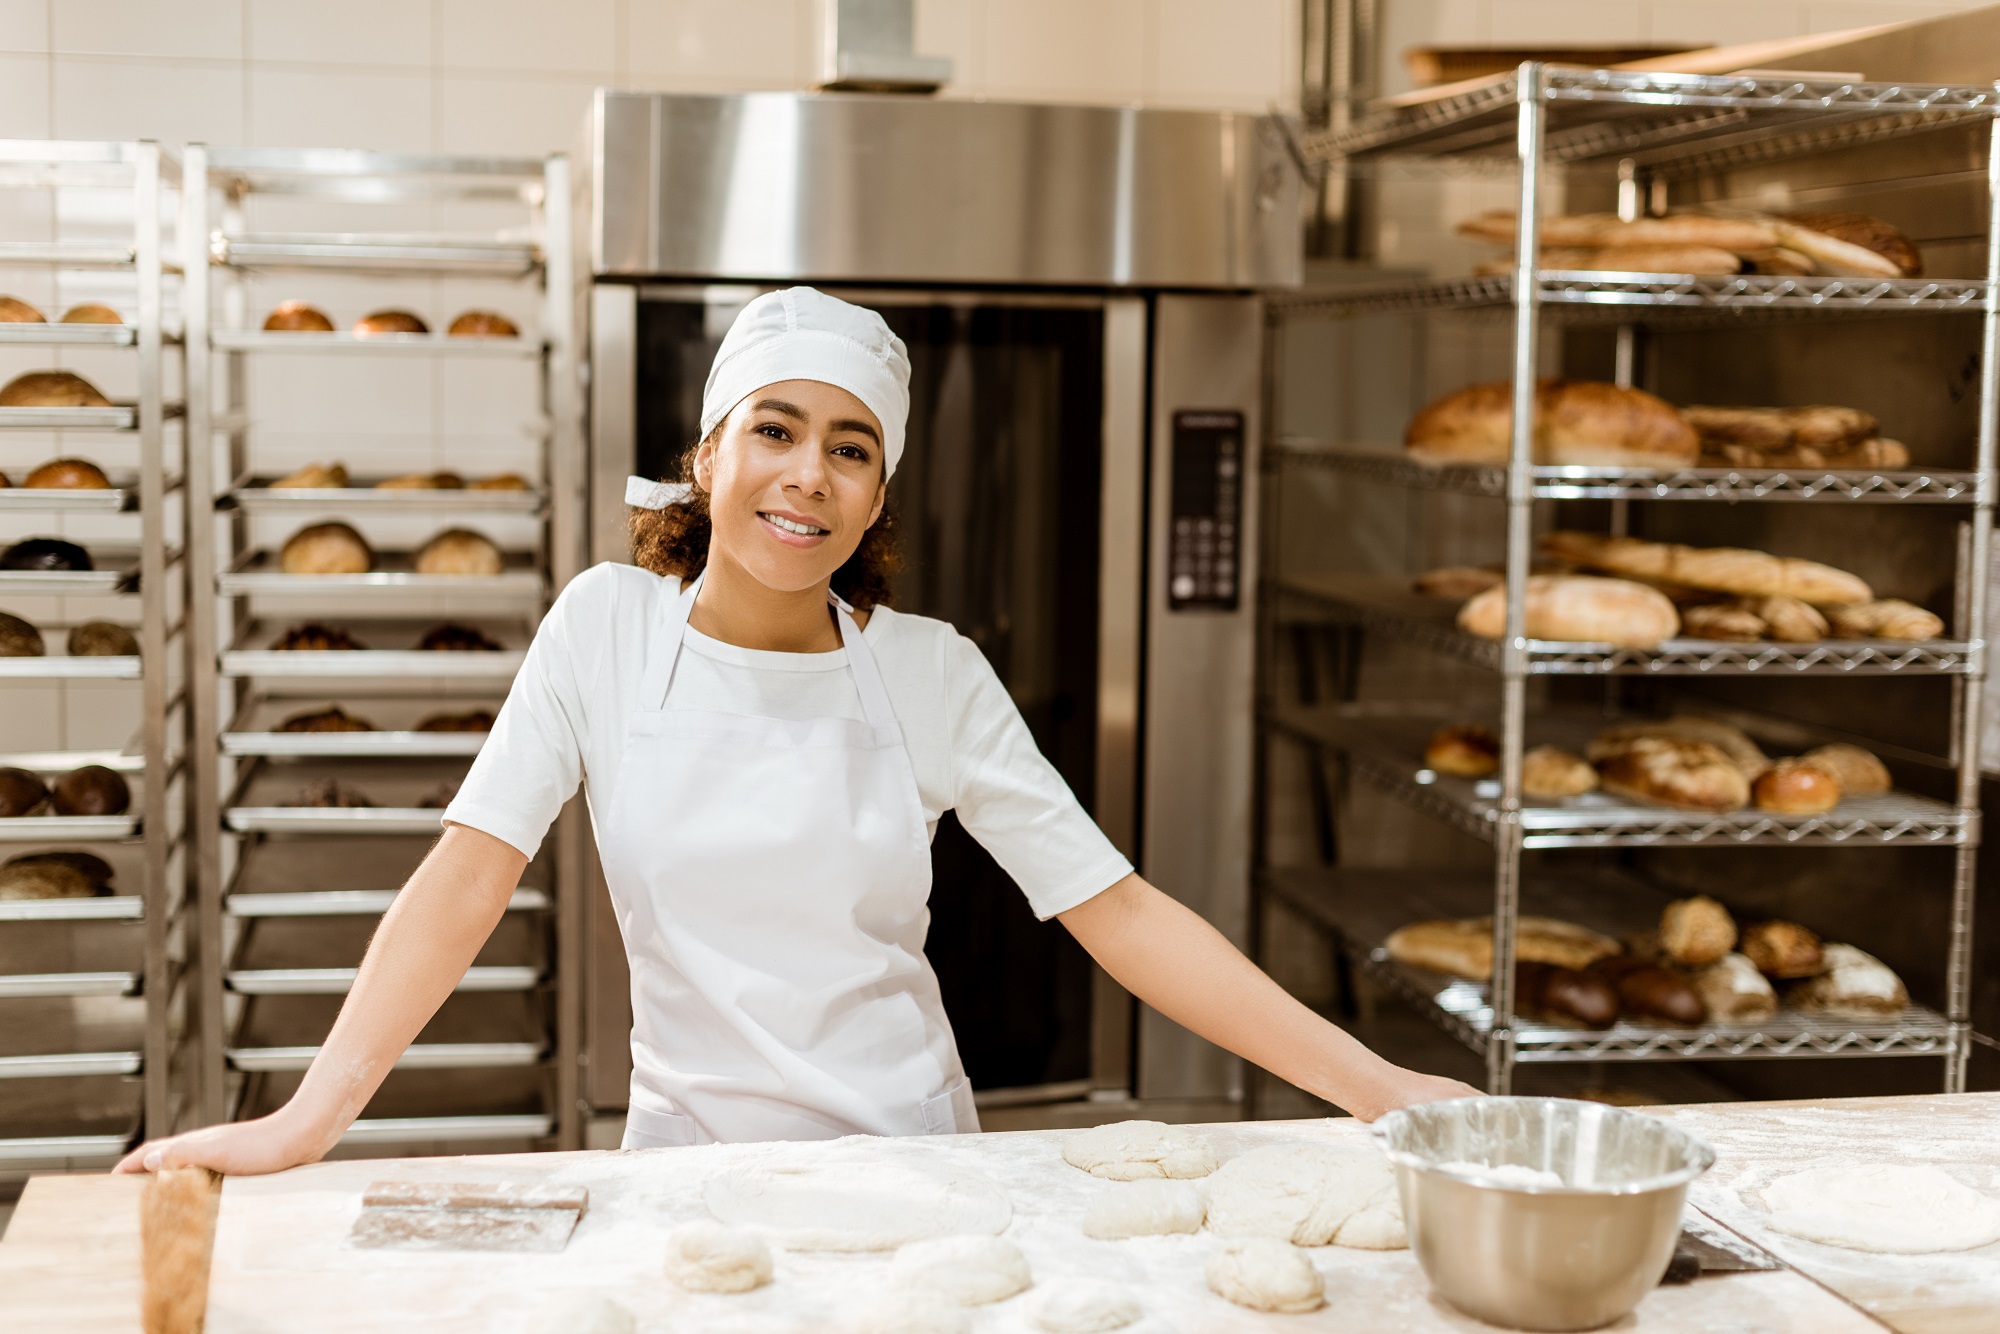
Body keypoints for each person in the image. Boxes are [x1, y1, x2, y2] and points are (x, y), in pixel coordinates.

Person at [119, 288, 1473, 1173]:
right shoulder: (606, 629)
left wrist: (1371, 1083)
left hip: (917, 1169)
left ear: (878, 494)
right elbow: (466, 876)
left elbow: (1115, 910)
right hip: (689, 1167)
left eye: (849, 447)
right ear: (710, 457)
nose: (805, 476)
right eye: (775, 429)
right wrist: (304, 1122)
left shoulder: (930, 674)